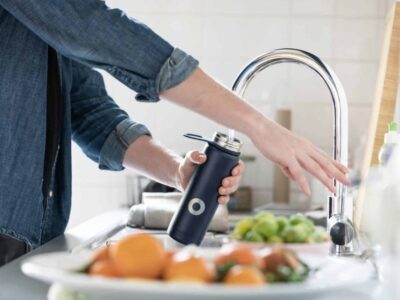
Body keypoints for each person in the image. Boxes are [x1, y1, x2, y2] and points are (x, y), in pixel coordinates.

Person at [0, 1, 348, 266]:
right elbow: (102, 31)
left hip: (29, 236)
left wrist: (178, 172)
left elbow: (89, 112)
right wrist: (260, 127)